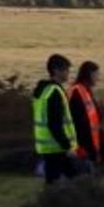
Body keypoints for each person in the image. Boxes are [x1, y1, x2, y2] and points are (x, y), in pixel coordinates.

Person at [32, 54, 78, 184]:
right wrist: (67, 146)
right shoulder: (55, 91)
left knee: (52, 180)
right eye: (66, 70)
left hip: (46, 144)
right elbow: (55, 123)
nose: (68, 74)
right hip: (57, 146)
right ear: (56, 70)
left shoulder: (42, 90)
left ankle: (51, 201)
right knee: (75, 178)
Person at [67, 61, 104, 170]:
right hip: (83, 145)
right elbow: (77, 121)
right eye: (96, 75)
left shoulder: (86, 91)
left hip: (91, 144)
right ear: (89, 74)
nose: (98, 78)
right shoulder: (77, 91)